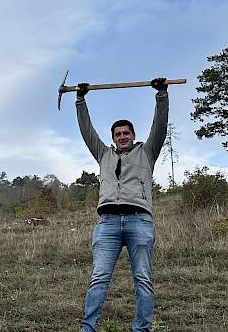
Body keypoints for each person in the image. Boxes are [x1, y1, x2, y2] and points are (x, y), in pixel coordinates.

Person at [76, 78, 168, 332]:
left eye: (126, 133)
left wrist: (161, 95)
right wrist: (81, 100)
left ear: (133, 135)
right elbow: (87, 132)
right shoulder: (103, 154)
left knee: (143, 279)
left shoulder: (147, 152)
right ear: (113, 138)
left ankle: (142, 329)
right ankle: (88, 328)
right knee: (99, 278)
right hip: (107, 223)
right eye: (118, 134)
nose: (122, 136)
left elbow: (160, 127)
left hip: (139, 220)